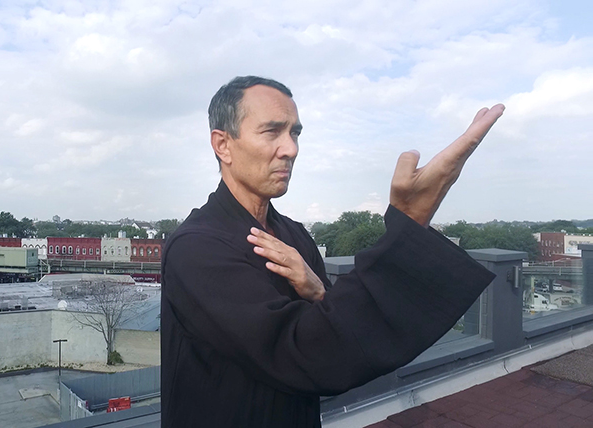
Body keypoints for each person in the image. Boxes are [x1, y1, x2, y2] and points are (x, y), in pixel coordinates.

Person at [160, 76, 504, 427]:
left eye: (295, 133)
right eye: (272, 131)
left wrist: (319, 291)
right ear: (223, 145)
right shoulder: (196, 248)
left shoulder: (294, 235)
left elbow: (335, 329)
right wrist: (410, 224)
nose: (291, 149)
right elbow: (309, 353)